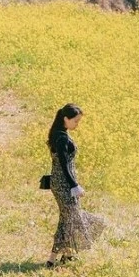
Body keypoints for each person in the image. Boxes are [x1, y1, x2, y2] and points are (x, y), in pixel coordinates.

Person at [46, 102, 104, 267]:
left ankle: (62, 256)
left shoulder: (58, 133)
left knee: (68, 218)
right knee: (72, 217)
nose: (77, 124)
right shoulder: (61, 138)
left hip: (59, 182)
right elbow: (64, 164)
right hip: (64, 184)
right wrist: (74, 185)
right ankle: (55, 257)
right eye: (75, 121)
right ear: (66, 119)